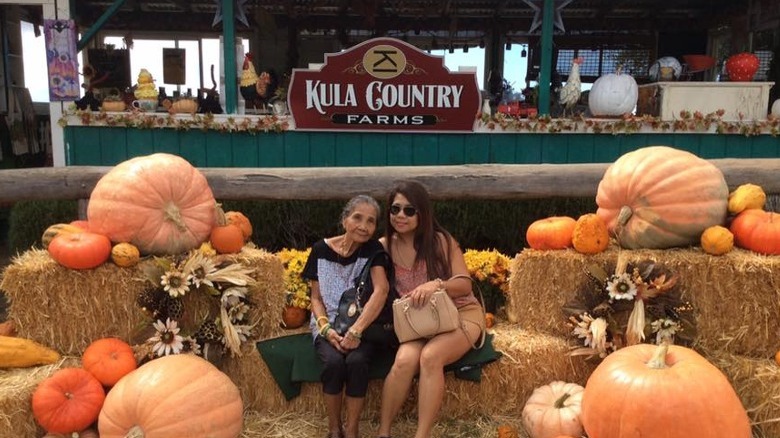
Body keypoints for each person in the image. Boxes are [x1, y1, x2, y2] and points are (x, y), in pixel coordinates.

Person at [377, 180, 485, 438]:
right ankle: (383, 432)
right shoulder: (384, 246)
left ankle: (421, 435)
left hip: (459, 314)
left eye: (409, 210)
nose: (400, 216)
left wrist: (436, 285)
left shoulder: (440, 241)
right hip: (418, 322)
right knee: (404, 361)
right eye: (395, 209)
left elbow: (464, 285)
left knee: (430, 356)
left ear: (422, 214)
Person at [302, 195, 393, 438]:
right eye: (357, 218)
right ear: (344, 220)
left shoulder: (373, 250)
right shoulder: (320, 250)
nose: (364, 226)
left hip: (363, 324)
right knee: (333, 363)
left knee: (357, 362)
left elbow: (381, 290)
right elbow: (316, 298)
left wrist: (356, 331)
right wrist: (326, 330)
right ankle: (334, 430)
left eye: (371, 221)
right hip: (328, 324)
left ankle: (352, 431)